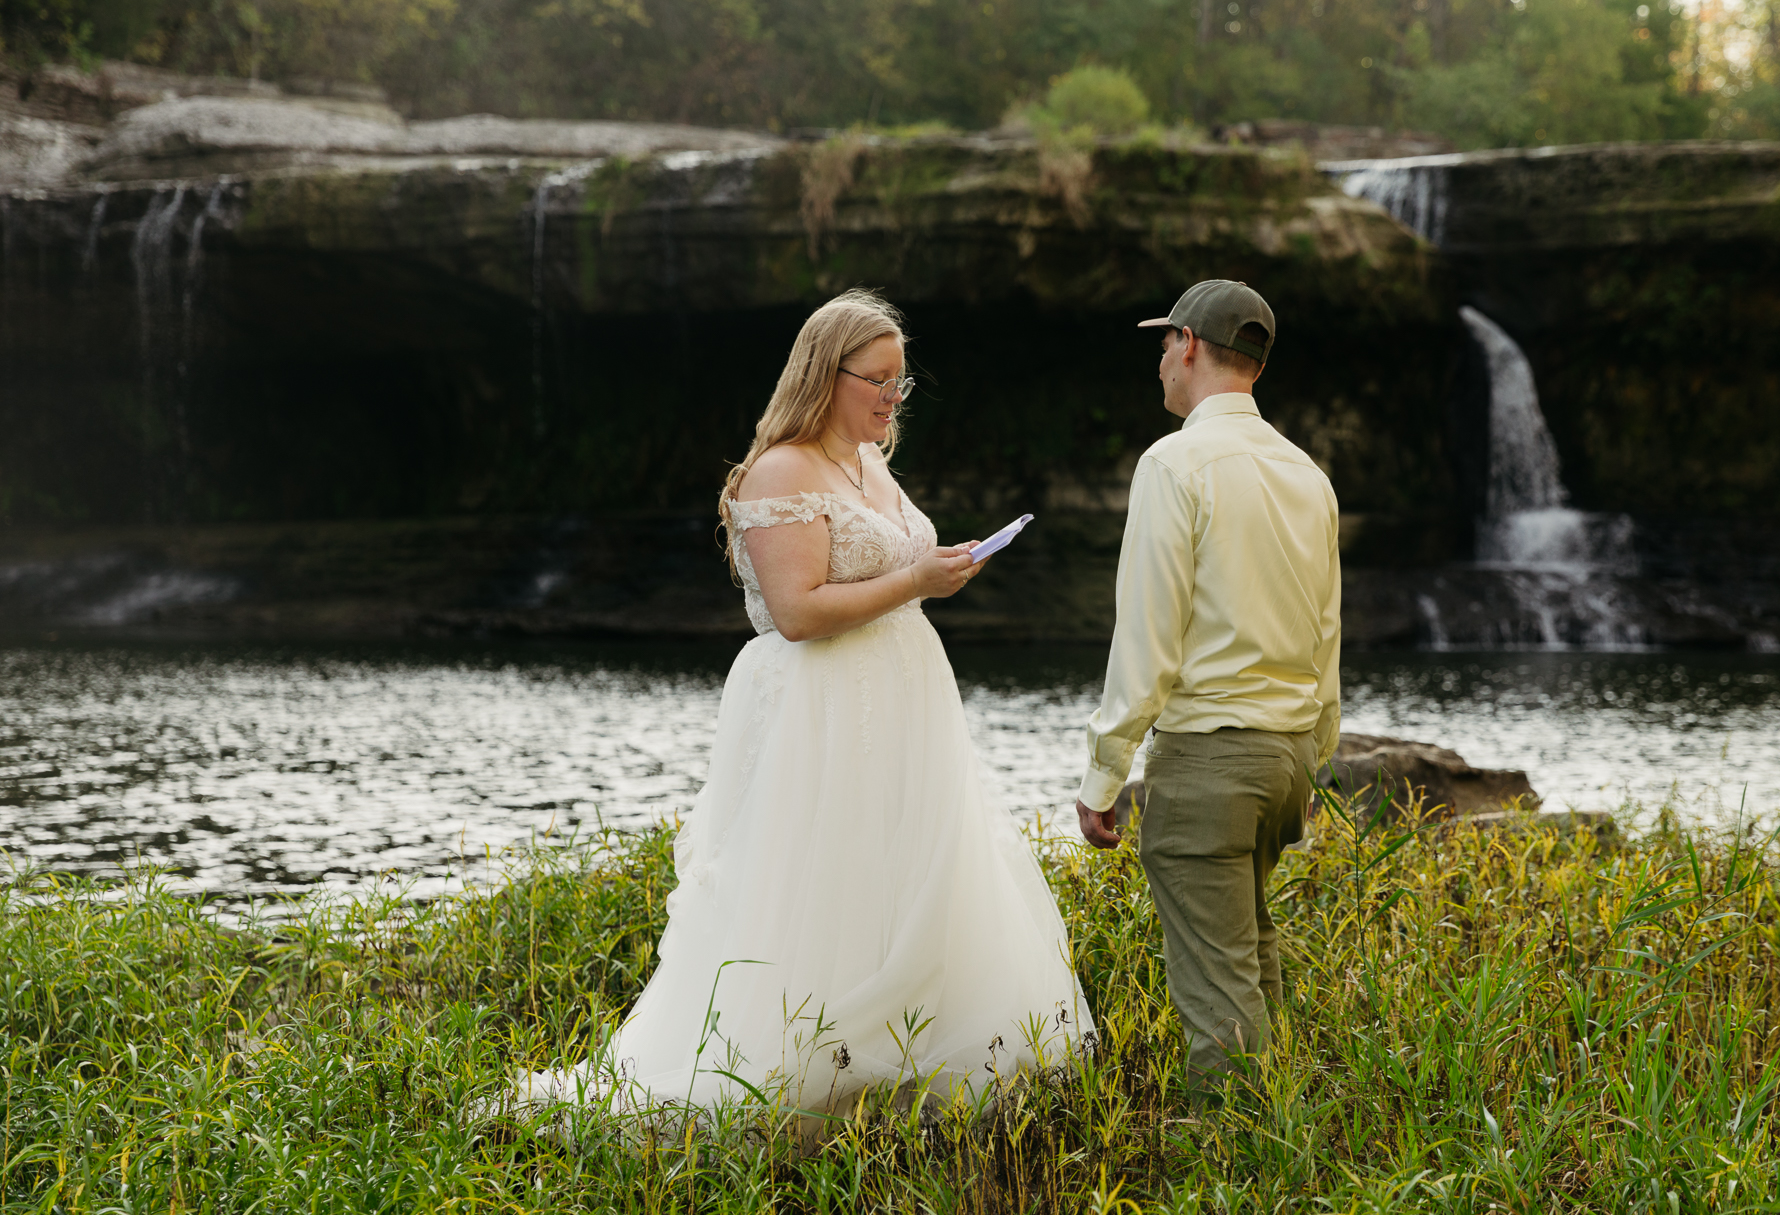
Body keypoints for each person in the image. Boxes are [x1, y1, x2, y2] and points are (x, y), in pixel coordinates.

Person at [514, 289, 1092, 1120]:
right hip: (822, 708)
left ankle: (910, 1052)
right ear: (828, 373)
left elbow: (888, 572)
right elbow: (797, 611)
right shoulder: (781, 468)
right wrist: (915, 580)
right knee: (826, 876)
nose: (893, 397)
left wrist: (942, 569)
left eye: (902, 382)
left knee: (909, 870)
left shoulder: (870, 462)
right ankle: (806, 1067)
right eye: (879, 380)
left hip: (905, 700)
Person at [1073, 279, 1341, 1103]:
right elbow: (1326, 633)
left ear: (1189, 344)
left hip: (1209, 763)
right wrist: (1310, 754)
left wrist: (1103, 774)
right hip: (1287, 758)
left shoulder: (1174, 462)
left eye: (1163, 344)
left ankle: (1229, 1168)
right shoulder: (1306, 473)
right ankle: (1291, 1156)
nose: (1159, 360)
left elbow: (1148, 635)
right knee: (1254, 967)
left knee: (1218, 1004)